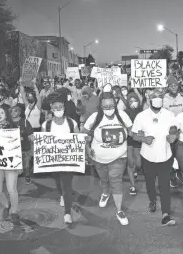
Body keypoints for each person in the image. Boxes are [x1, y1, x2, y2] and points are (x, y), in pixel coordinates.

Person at [131, 89, 178, 226]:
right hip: (147, 156)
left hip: (165, 155)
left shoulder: (169, 115)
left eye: (159, 97)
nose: (157, 99)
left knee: (164, 186)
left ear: (163, 99)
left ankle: (165, 215)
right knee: (150, 183)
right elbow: (134, 135)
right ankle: (152, 200)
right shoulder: (142, 116)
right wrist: (144, 138)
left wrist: (174, 136)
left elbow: (175, 130)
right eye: (154, 97)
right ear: (149, 99)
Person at [84, 92, 133, 226]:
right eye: (105, 106)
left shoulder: (122, 115)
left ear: (115, 104)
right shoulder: (94, 117)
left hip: (119, 157)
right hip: (98, 158)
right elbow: (85, 133)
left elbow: (131, 130)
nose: (109, 108)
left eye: (111, 105)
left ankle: (119, 210)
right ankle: (105, 192)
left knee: (115, 179)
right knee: (104, 179)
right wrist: (87, 147)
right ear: (100, 106)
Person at [42, 92, 80, 224]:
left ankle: (67, 212)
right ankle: (62, 194)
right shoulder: (46, 125)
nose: (58, 110)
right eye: (56, 107)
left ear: (64, 108)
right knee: (58, 182)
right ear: (51, 109)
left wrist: (84, 141)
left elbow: (78, 138)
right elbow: (43, 142)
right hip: (54, 161)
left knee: (67, 185)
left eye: (61, 107)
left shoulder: (71, 122)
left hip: (68, 161)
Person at [0, 106, 21, 223]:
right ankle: (6, 204)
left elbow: (17, 145)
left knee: (12, 189)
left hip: (11, 163)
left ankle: (14, 211)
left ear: (6, 115)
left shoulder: (13, 128)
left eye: (2, 112)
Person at [10, 106, 34, 185]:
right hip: (12, 148)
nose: (13, 112)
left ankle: (27, 176)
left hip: (24, 147)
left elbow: (30, 134)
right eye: (12, 111)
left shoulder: (25, 122)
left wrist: (31, 138)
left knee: (26, 165)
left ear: (20, 112)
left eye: (15, 111)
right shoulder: (8, 122)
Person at [124, 92, 143, 195]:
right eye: (130, 101)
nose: (133, 103)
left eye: (135, 101)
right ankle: (133, 186)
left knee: (138, 163)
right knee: (130, 162)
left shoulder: (142, 112)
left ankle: (135, 170)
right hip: (128, 139)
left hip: (138, 139)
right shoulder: (124, 113)